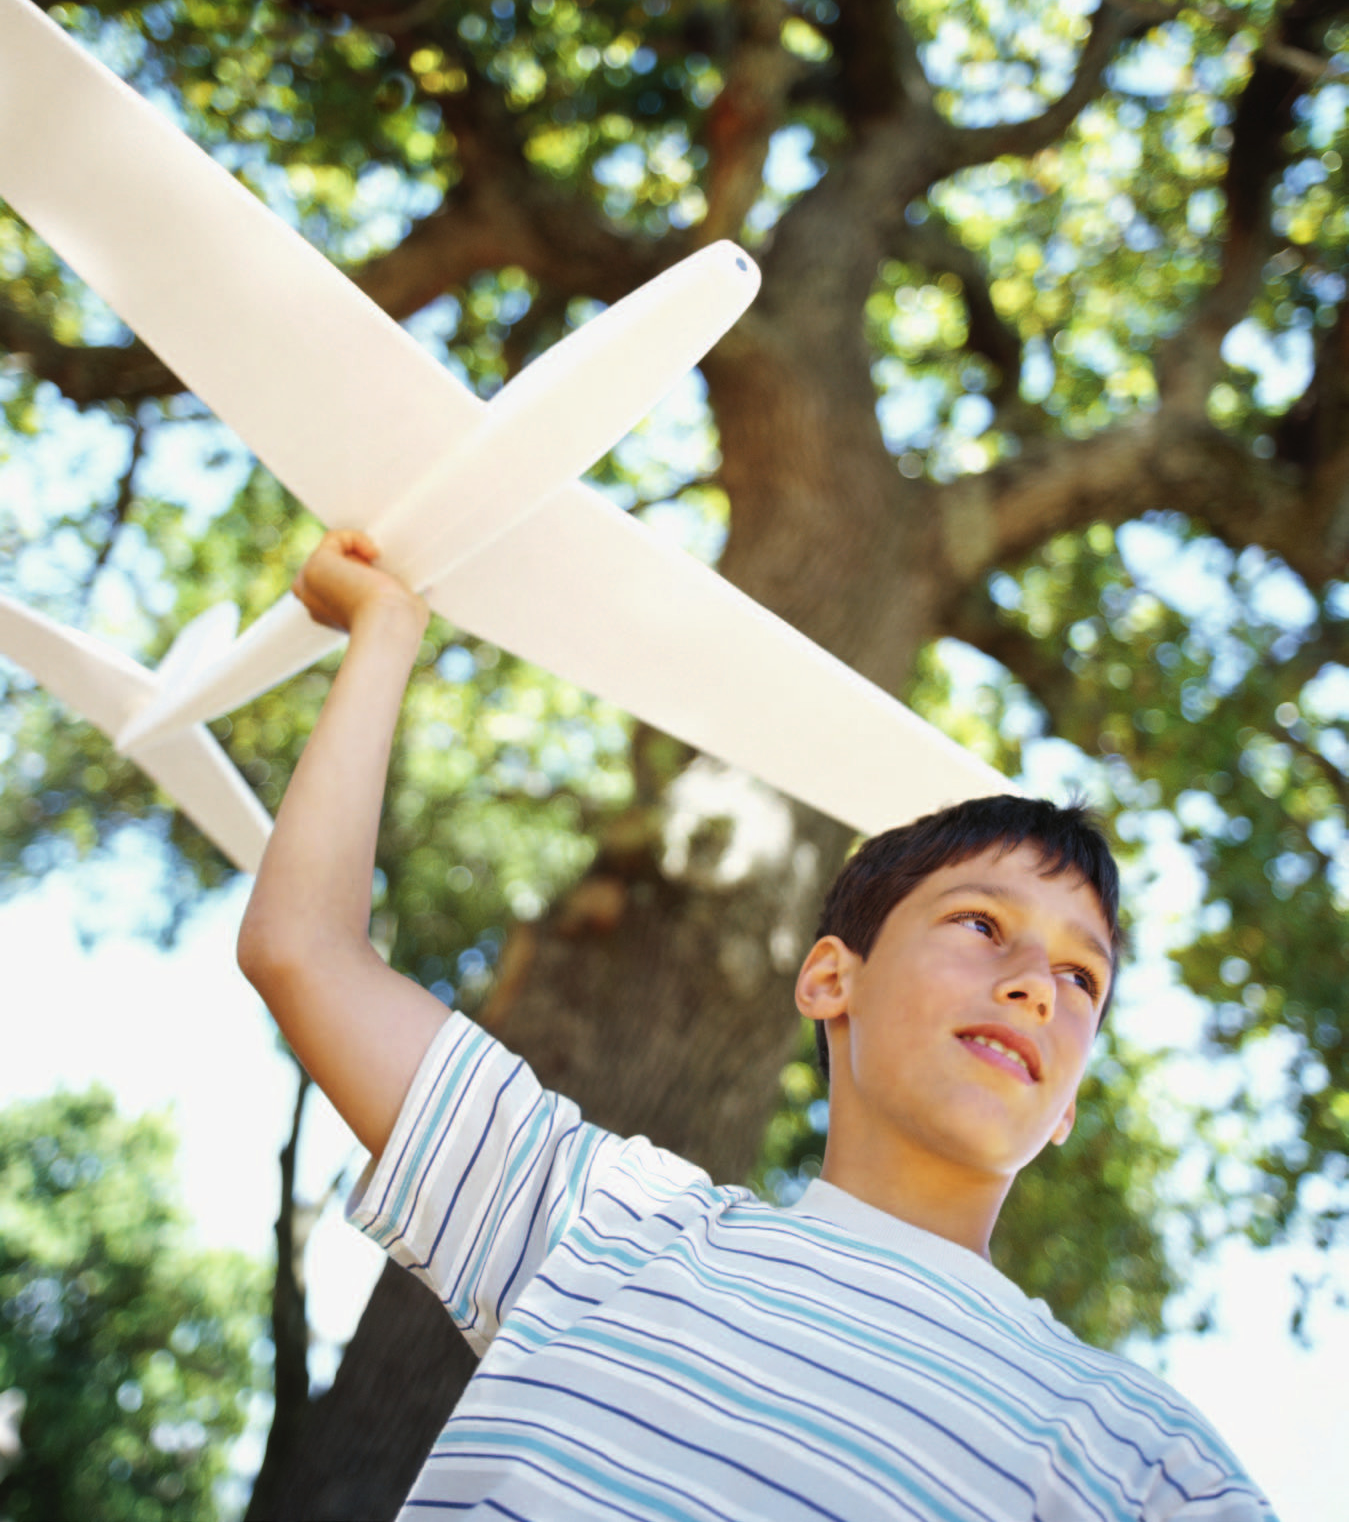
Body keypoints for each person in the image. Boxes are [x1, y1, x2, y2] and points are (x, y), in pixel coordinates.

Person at [238, 529, 1276, 1521]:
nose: (1034, 987)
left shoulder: (1140, 1457)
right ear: (831, 977)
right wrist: (385, 625)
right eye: (980, 923)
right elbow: (305, 952)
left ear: (1066, 1106)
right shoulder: (611, 1226)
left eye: (1080, 979)